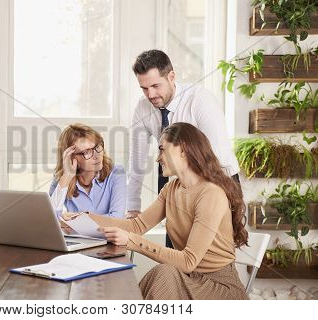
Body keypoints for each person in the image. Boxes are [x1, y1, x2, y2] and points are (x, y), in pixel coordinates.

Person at [63, 122, 249, 300]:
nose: (158, 158)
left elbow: (188, 261)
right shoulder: (171, 189)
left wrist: (131, 241)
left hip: (218, 288)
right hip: (189, 279)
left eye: (161, 149)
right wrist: (86, 217)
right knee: (164, 274)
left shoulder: (211, 194)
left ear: (183, 150)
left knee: (165, 273)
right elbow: (137, 225)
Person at [127, 50, 240, 242]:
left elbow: (217, 158)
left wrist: (203, 198)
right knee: (174, 253)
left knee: (210, 255)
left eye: (155, 85)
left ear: (171, 77)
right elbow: (137, 161)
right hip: (180, 185)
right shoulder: (143, 107)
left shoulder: (200, 100)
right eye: (144, 88)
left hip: (219, 180)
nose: (151, 94)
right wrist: (133, 207)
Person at [49, 123, 126, 218]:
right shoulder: (62, 178)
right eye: (86, 152)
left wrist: (77, 220)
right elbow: (50, 219)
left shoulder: (116, 172)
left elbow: (117, 218)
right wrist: (67, 176)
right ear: (71, 157)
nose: (97, 156)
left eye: (97, 147)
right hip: (73, 234)